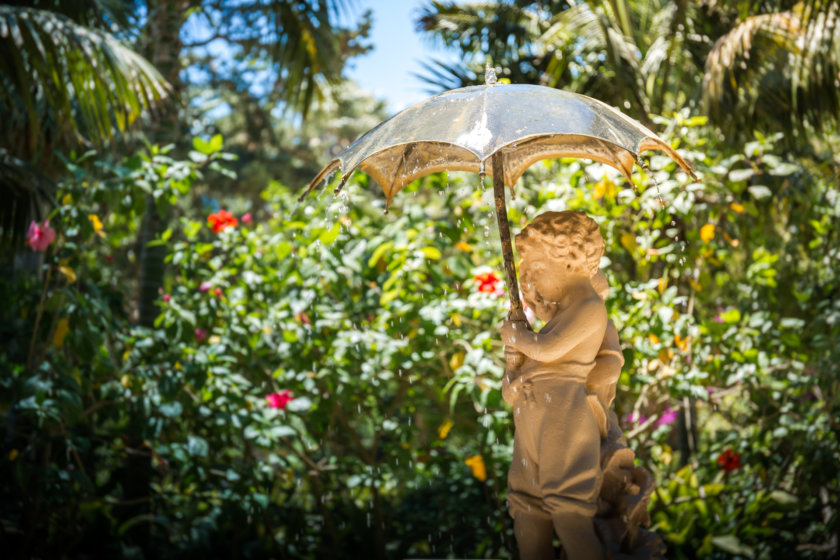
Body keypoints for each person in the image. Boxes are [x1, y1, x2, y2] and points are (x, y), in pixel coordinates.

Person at [500, 210, 608, 560]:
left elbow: (548, 350)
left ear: (568, 261)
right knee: (527, 511)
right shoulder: (558, 316)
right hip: (531, 424)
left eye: (536, 270)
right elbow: (512, 385)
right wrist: (512, 372)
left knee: (568, 513)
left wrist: (518, 337)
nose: (530, 281)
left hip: (564, 420)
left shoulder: (590, 307)